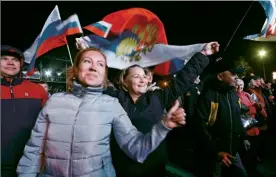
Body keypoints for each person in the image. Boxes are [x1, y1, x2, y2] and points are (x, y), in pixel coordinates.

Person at [16, 48, 186, 177]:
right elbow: (34, 149)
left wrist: (163, 126)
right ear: (76, 69)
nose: (93, 67)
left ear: (104, 74)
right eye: (87, 61)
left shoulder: (112, 104)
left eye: (100, 64)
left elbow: (137, 149)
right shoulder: (54, 101)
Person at [105, 42, 220, 177]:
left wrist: (203, 54)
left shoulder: (158, 97)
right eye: (136, 76)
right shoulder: (115, 98)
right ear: (124, 81)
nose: (142, 80)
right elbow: (99, 80)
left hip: (154, 167)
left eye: (144, 76)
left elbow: (183, 79)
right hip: (123, 168)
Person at [193, 61, 250, 177]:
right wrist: (216, 152)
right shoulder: (208, 95)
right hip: (214, 155)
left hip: (233, 152)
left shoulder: (233, 94)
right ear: (220, 76)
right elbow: (200, 126)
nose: (236, 77)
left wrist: (243, 137)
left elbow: (237, 118)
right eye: (233, 74)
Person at [1, 45, 49, 177]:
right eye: (4, 58)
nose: (10, 62)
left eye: (15, 60)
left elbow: (48, 123)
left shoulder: (38, 90)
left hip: (31, 163)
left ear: (21, 64)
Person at [236, 78, 262, 177]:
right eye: (237, 84)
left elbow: (255, 106)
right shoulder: (234, 96)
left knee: (254, 152)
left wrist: (256, 107)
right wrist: (252, 109)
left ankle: (254, 171)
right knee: (247, 155)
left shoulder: (246, 94)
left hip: (254, 127)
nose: (239, 86)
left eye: (241, 84)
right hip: (245, 131)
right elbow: (244, 111)